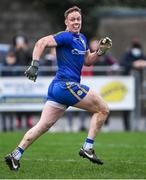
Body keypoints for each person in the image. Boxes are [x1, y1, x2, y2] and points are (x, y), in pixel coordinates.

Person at [5, 6, 112, 171]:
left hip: (58, 88)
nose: (76, 22)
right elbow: (41, 42)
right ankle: (88, 147)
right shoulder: (65, 36)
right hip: (66, 85)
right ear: (66, 22)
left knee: (43, 125)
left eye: (78, 19)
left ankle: (15, 155)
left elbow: (88, 61)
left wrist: (99, 51)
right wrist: (35, 64)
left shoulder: (82, 38)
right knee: (103, 109)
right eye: (73, 19)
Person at [120, 38, 146, 130]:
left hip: (138, 86)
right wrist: (133, 64)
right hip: (127, 86)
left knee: (139, 105)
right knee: (127, 105)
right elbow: (122, 63)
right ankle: (127, 127)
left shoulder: (141, 55)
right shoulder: (127, 55)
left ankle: (137, 126)